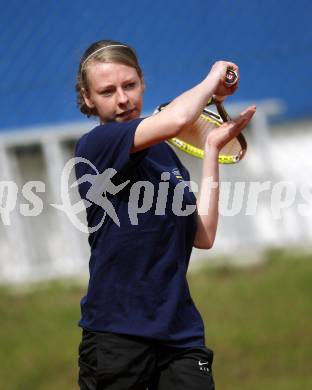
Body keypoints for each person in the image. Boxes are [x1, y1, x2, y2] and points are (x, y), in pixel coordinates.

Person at [74, 39, 256, 390]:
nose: (123, 98)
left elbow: (202, 236)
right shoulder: (97, 146)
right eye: (107, 91)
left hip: (179, 335)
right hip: (117, 335)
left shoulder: (162, 155)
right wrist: (212, 80)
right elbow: (176, 118)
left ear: (143, 82)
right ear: (88, 98)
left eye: (129, 85)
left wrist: (213, 152)